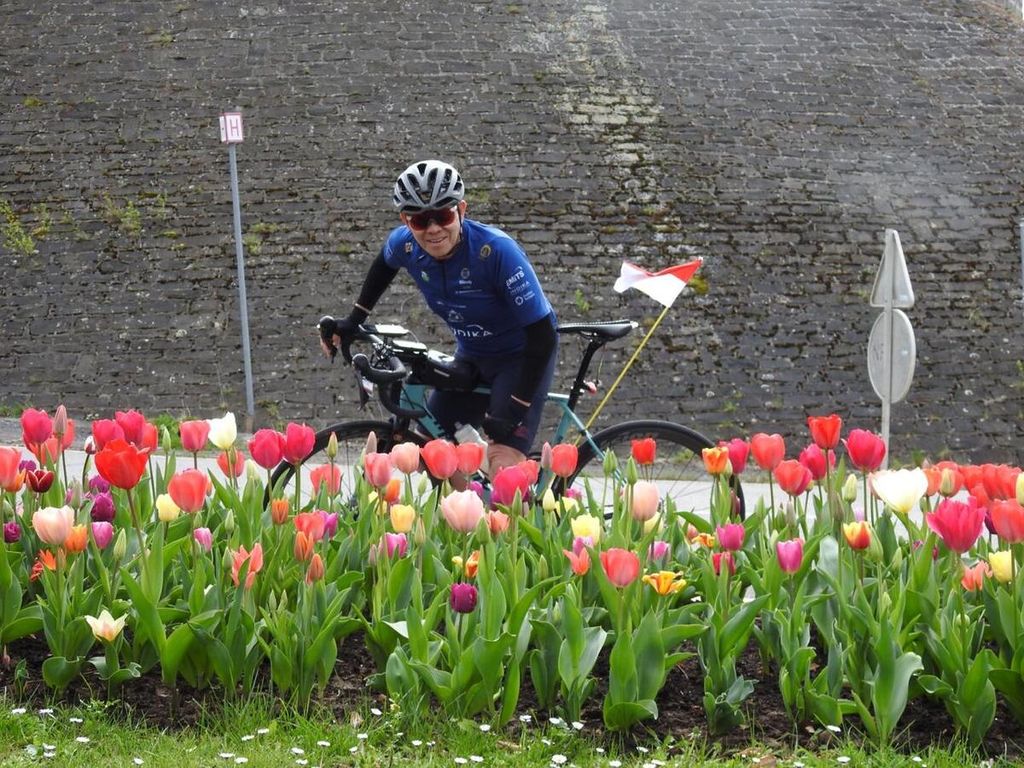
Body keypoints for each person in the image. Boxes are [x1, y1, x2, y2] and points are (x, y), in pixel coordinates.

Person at [320, 159, 558, 474]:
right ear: (406, 220)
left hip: (519, 359)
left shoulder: (497, 252)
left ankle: (523, 516)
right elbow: (383, 267)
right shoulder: (404, 245)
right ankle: (463, 519)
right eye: (420, 221)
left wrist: (516, 409)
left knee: (503, 465)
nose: (433, 229)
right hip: (472, 354)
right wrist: (354, 321)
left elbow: (542, 335)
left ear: (462, 209)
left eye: (443, 215)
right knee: (431, 452)